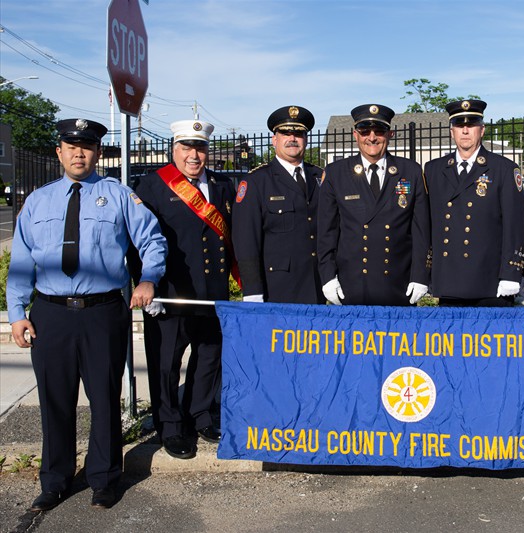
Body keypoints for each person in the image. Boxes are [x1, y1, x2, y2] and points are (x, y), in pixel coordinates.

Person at [6, 118, 167, 510]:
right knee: (55, 400)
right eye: (71, 146)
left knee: (104, 399)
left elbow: (152, 240)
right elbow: (23, 262)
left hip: (102, 312)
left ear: (98, 152)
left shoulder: (118, 196)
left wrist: (148, 280)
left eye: (88, 146)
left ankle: (104, 478)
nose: (79, 153)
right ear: (59, 152)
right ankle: (55, 479)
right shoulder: (38, 201)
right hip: (50, 314)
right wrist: (16, 312)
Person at [131, 120, 236, 459]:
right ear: (173, 149)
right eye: (187, 148)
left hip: (211, 290)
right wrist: (146, 286)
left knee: (209, 357)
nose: (194, 155)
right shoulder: (152, 186)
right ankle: (170, 426)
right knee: (165, 364)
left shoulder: (221, 185)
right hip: (170, 292)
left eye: (201, 148)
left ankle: (200, 415)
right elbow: (137, 243)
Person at [317, 104, 430, 306]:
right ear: (355, 134)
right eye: (364, 131)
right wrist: (327, 276)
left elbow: (421, 230)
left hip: (398, 282)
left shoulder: (410, 171)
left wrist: (420, 275)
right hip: (351, 284)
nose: (372, 137)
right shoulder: (336, 173)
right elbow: (327, 232)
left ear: (390, 134)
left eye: (379, 131)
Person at [424, 99, 524, 306]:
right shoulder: (434, 169)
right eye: (459, 126)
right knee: (451, 338)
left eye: (471, 125)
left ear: (482, 130)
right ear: (452, 131)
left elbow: (514, 225)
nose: (465, 131)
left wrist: (511, 272)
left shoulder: (503, 169)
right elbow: (425, 224)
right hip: (449, 278)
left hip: (490, 280)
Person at [233, 105, 324, 303]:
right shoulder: (256, 182)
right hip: (277, 288)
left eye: (299, 133)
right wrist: (252, 290)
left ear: (306, 139)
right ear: (275, 139)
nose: (292, 139)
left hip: (317, 285)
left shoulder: (320, 177)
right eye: (285, 133)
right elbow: (246, 241)